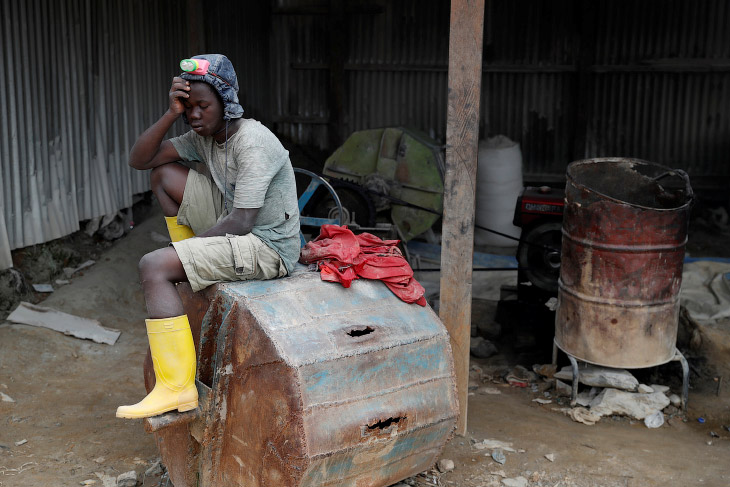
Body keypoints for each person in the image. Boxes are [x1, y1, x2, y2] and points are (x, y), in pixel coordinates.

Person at [116, 54, 300, 419]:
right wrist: (170, 114)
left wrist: (180, 254)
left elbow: (244, 221)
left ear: (227, 103)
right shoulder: (205, 137)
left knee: (154, 266)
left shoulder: (252, 141)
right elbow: (141, 159)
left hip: (266, 246)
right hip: (233, 219)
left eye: (203, 106)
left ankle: (176, 389)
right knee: (163, 175)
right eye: (188, 108)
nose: (194, 115)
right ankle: (185, 267)